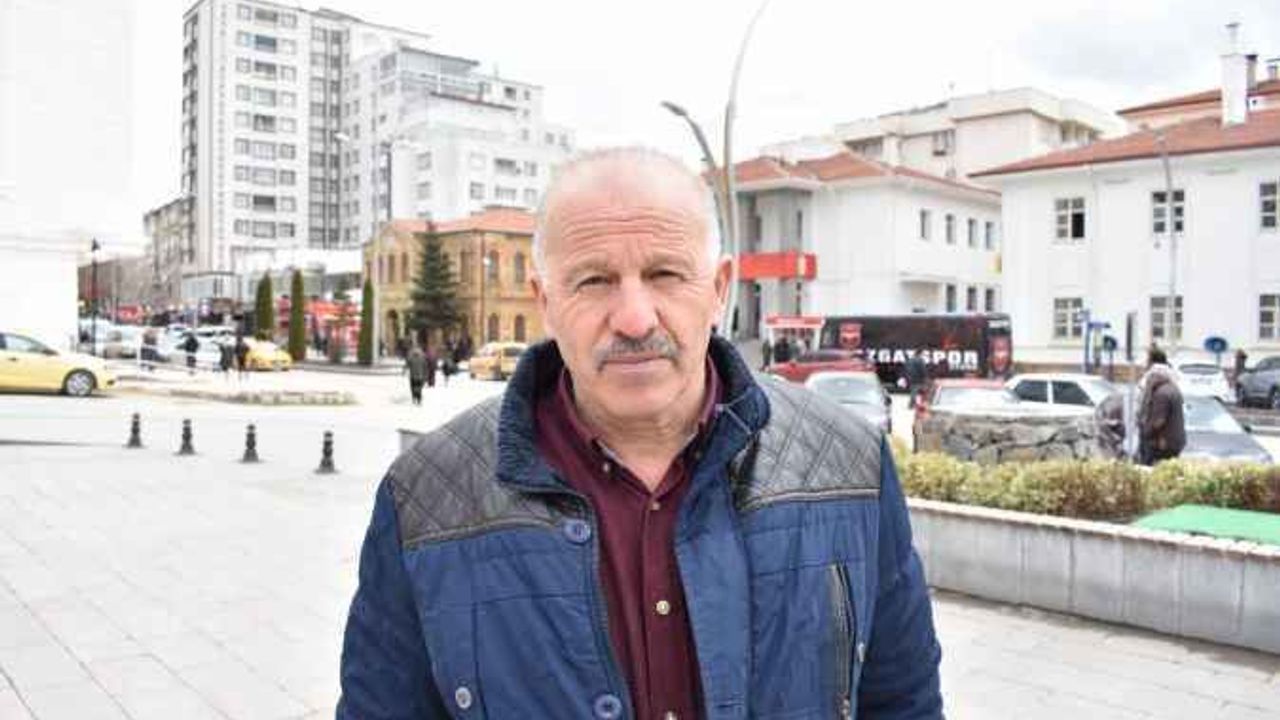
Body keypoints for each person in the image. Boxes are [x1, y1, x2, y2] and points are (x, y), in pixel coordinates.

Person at [337, 148, 942, 718]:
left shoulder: (850, 466)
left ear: (718, 290)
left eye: (665, 274)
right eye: (593, 281)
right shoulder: (425, 498)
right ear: (545, 302)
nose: (633, 318)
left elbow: (903, 703)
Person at [1137, 347, 1186, 466]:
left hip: (1161, 444)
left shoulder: (1161, 393)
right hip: (1174, 442)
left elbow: (1158, 421)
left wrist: (1145, 431)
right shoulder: (1173, 388)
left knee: (1150, 472)